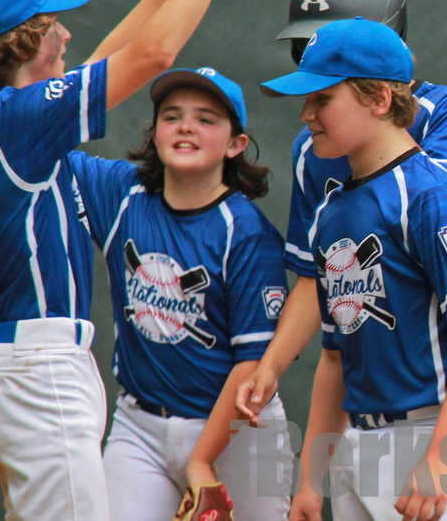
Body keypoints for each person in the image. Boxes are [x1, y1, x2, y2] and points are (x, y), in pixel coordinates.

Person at [0, 0, 238, 518]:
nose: (66, 33)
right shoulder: (13, 122)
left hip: (22, 366)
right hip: (39, 370)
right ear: (22, 44)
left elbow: (113, 58)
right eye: (51, 24)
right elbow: (151, 56)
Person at [261, 18, 447, 521]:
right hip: (359, 440)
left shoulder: (430, 196)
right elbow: (333, 360)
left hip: (434, 430)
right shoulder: (331, 212)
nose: (306, 115)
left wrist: (440, 459)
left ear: (380, 99)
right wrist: (310, 482)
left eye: (323, 99)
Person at [236, 0, 447, 426]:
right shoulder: (313, 146)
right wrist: (272, 365)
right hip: (364, 374)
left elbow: (435, 218)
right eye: (306, 43)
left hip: (436, 371)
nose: (317, 51)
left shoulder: (446, 113)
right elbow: (316, 274)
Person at [68, 67, 292, 520]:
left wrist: (201, 460)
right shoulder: (122, 195)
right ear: (155, 135)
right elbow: (39, 139)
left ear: (236, 145)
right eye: (171, 117)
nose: (186, 126)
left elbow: (252, 363)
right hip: (139, 428)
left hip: (237, 431)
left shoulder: (246, 233)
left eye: (206, 119)